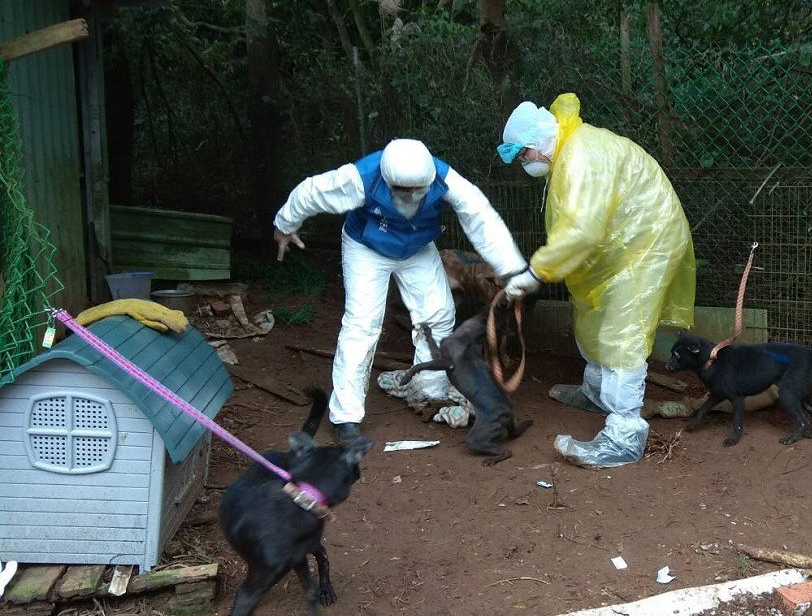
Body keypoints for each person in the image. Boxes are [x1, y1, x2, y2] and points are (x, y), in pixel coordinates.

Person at [273, 138, 526, 444]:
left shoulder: (444, 179)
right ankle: (347, 417)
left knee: (438, 313)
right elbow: (312, 192)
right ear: (387, 180)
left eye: (417, 191)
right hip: (366, 247)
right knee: (362, 325)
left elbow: (481, 218)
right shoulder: (361, 176)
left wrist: (512, 269)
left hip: (417, 247)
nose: (410, 197)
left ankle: (428, 392)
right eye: (402, 191)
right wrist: (285, 224)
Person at [496, 93, 696, 468]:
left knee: (621, 332)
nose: (524, 163)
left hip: (646, 241)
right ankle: (597, 391)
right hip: (621, 243)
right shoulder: (568, 150)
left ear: (538, 142)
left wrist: (537, 271)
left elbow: (582, 230)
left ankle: (623, 437)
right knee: (591, 313)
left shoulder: (581, 155)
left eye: (523, 155)